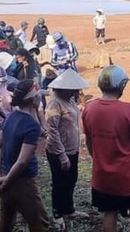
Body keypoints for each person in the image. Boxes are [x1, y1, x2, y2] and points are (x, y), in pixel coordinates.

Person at [82, 65, 130, 232]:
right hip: (129, 175)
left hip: (102, 175)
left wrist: (98, 160)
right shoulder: (129, 110)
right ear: (122, 86)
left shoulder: (89, 109)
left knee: (109, 212)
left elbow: (89, 140)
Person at [0, 79, 50, 232]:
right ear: (33, 99)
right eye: (38, 96)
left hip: (5, 174)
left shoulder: (11, 116)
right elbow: (23, 161)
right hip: (22, 182)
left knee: (6, 223)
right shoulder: (31, 125)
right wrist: (7, 180)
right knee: (40, 223)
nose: (40, 99)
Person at [45, 70, 90, 230]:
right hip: (58, 151)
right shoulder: (54, 104)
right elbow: (52, 131)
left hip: (72, 149)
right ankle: (57, 213)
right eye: (74, 89)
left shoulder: (69, 101)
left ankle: (69, 209)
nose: (77, 91)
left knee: (71, 179)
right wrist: (62, 155)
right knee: (60, 182)